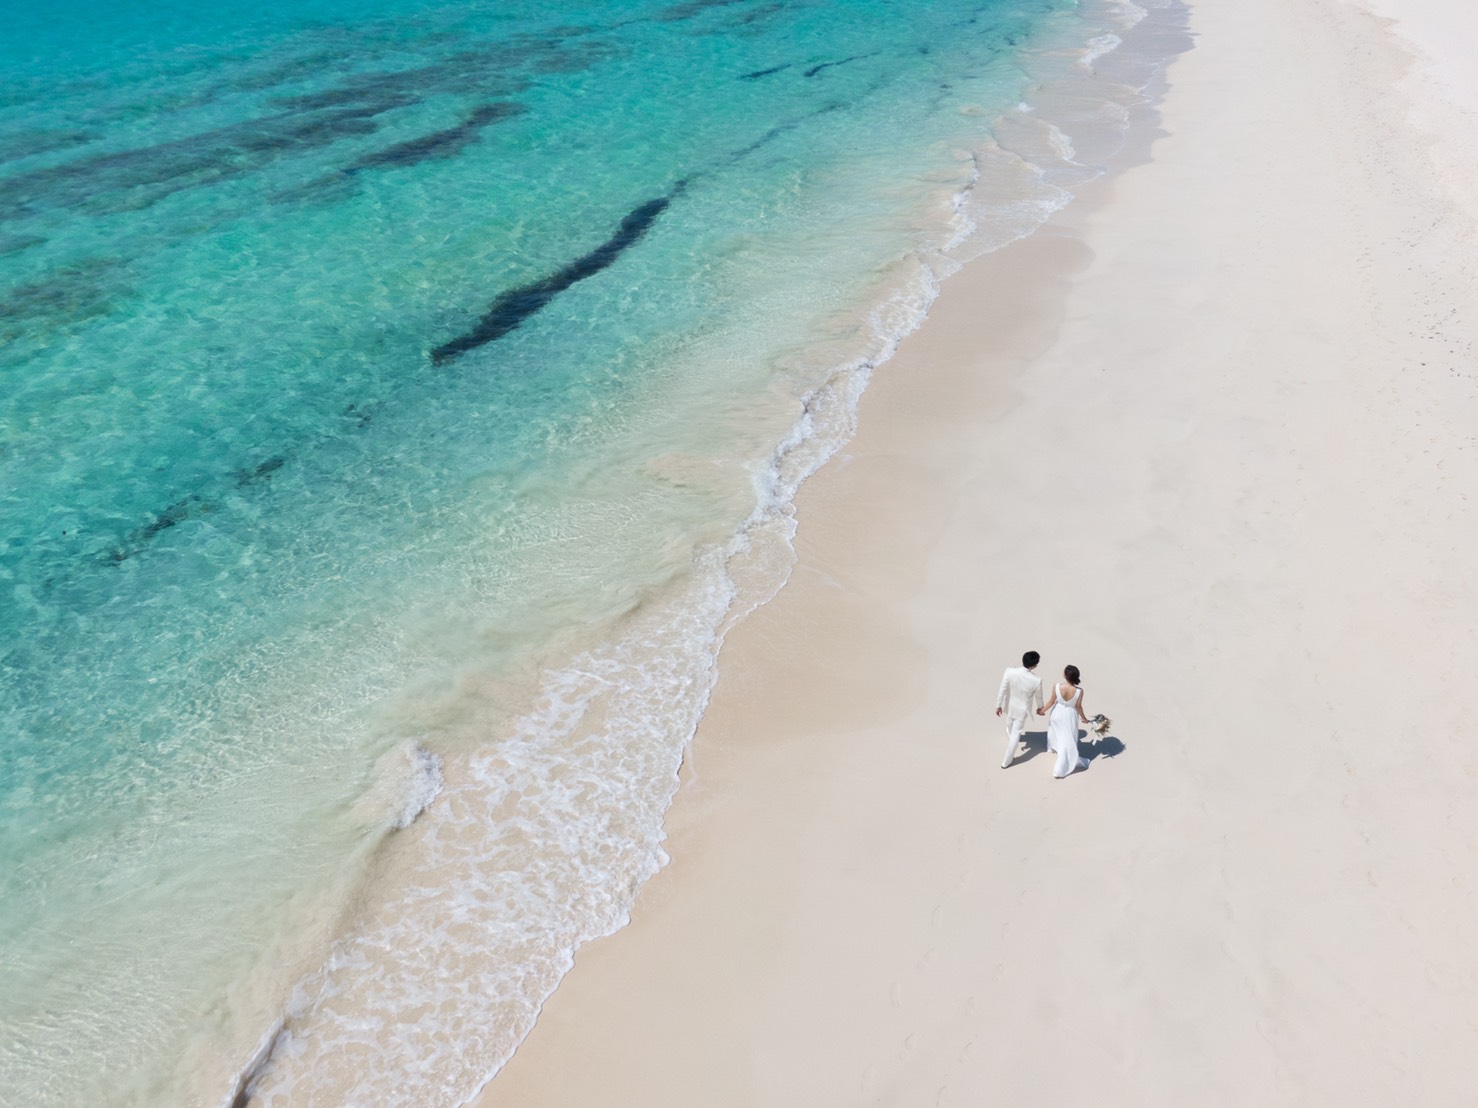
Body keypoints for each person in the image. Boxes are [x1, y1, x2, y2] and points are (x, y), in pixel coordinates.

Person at [1038, 664, 1090, 779]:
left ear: (1065, 675)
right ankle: (1061, 766)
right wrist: (1084, 718)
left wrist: (1042, 711)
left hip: (1057, 713)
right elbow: (1078, 707)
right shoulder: (1079, 691)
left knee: (1056, 732)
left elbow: (1051, 701)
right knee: (1068, 737)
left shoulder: (1056, 686)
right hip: (1069, 716)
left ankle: (1052, 749)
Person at [995, 651, 1043, 769]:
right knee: (1016, 734)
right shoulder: (1036, 680)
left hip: (1010, 705)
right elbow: (1039, 697)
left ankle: (1010, 737)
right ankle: (1006, 761)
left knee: (1009, 723)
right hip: (1022, 711)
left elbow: (1002, 689)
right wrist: (1040, 708)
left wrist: (998, 705)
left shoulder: (1009, 671)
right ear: (1034, 665)